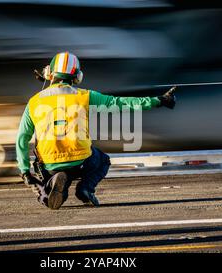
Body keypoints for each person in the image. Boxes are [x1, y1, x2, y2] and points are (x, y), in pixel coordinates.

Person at [16, 52, 176, 210]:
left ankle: (54, 184)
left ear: (48, 73)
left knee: (47, 193)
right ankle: (85, 189)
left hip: (49, 164)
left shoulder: (34, 102)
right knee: (103, 161)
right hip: (80, 159)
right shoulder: (85, 96)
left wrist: (24, 171)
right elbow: (121, 103)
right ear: (77, 77)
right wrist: (158, 101)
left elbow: (22, 138)